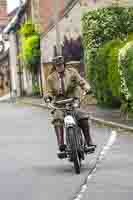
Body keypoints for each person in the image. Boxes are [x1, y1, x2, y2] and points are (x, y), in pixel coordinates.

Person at [44, 56, 96, 157]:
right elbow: (48, 91)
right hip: (59, 104)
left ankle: (89, 141)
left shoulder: (72, 72)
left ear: (64, 64)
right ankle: (61, 144)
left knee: (82, 116)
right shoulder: (51, 78)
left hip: (73, 101)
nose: (59, 67)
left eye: (61, 65)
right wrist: (48, 98)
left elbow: (82, 82)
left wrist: (87, 88)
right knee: (57, 118)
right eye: (57, 66)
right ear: (55, 67)